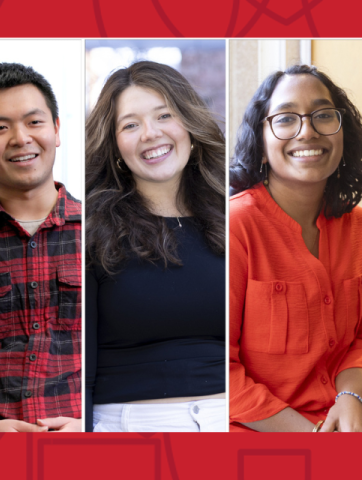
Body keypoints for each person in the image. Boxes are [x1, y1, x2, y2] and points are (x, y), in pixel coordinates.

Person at [85, 61, 225, 432]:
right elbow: (79, 367)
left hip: (232, 422)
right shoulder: (92, 231)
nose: (150, 133)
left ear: (190, 127)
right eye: (130, 125)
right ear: (115, 145)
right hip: (129, 428)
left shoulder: (234, 220)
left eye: (164, 115)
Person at [229, 64, 362, 432]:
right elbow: (216, 366)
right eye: (286, 118)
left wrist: (350, 397)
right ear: (260, 141)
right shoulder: (235, 228)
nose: (307, 131)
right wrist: (310, 436)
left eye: (323, 115)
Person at [0, 63, 81, 432]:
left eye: (34, 122)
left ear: (56, 130)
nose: (20, 138)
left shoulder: (103, 234)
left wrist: (89, 426)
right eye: (0, 127)